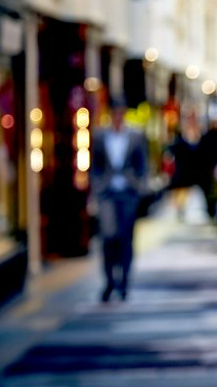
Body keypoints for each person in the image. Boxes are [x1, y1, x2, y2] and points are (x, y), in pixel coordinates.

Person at [90, 99, 148, 302]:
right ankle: (108, 281)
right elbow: (95, 165)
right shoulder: (99, 135)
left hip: (128, 193)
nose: (117, 117)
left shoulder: (135, 135)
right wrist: (97, 188)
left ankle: (124, 281)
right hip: (107, 194)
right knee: (108, 238)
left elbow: (142, 163)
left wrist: (140, 187)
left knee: (126, 238)